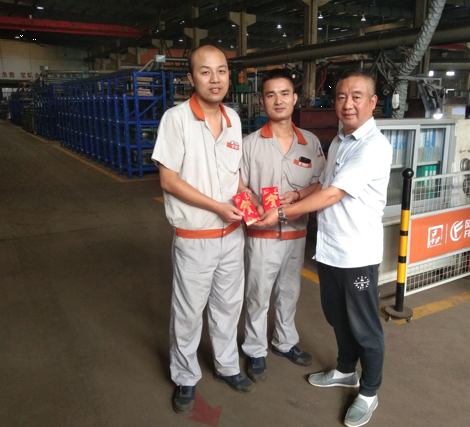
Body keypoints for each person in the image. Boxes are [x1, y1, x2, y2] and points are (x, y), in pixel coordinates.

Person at [256, 69, 391, 427]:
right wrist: (298, 194)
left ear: (373, 102)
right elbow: (324, 183)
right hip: (331, 250)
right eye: (341, 97)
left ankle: (369, 391)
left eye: (357, 97)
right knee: (337, 317)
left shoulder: (372, 147)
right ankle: (346, 370)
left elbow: (333, 194)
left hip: (357, 254)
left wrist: (280, 212)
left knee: (365, 326)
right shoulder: (341, 140)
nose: (348, 104)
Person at [151, 45, 254, 415]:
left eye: (222, 71)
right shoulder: (176, 119)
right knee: (189, 311)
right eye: (205, 71)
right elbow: (168, 180)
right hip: (195, 237)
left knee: (229, 305)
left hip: (232, 235)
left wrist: (247, 201)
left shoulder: (233, 119)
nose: (215, 79)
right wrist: (217, 207)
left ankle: (227, 366)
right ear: (191, 78)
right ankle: (185, 375)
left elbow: (234, 174)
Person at [240, 69, 325, 382]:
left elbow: (320, 183)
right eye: (271, 94)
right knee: (258, 293)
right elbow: (237, 185)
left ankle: (284, 342)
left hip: (296, 232)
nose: (278, 100)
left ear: (294, 98)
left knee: (289, 291)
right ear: (262, 101)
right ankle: (255, 350)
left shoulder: (310, 142)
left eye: (284, 93)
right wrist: (253, 209)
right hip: (261, 234)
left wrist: (299, 195)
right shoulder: (249, 144)